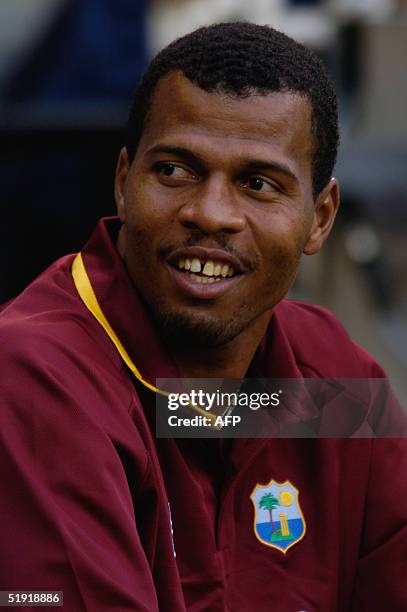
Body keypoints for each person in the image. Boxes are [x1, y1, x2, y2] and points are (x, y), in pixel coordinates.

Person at [0, 22, 406, 612]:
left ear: (320, 218)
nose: (211, 213)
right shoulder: (35, 376)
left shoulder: (335, 381)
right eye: (174, 170)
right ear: (122, 183)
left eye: (258, 183)